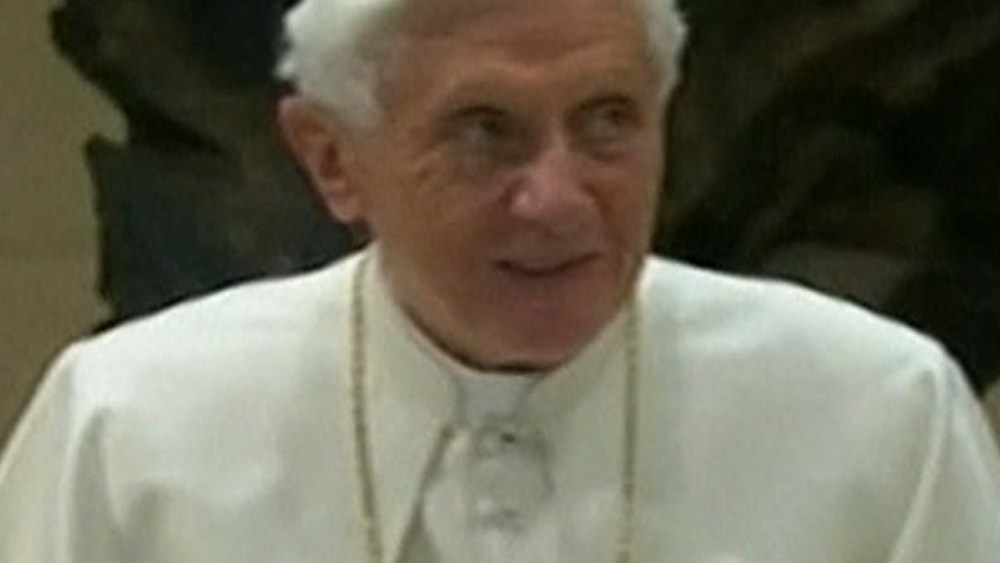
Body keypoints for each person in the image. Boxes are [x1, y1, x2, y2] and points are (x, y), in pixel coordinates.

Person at [1, 0, 999, 560]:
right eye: (485, 131)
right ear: (331, 159)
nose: (556, 199)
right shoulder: (125, 429)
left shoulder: (882, 416)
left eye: (607, 121)